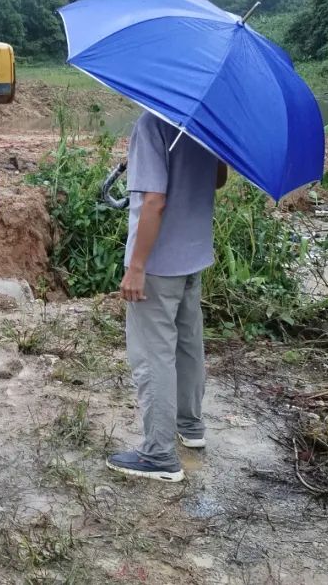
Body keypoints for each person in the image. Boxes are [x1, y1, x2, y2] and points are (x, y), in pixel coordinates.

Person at [106, 112, 228, 483]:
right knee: (188, 346)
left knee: (152, 355)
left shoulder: (152, 123)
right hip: (193, 256)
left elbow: (154, 202)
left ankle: (158, 454)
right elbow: (218, 179)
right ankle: (190, 426)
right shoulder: (207, 119)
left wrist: (137, 267)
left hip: (158, 264)